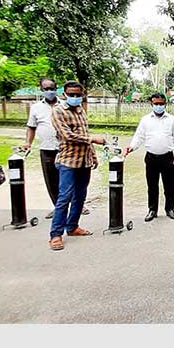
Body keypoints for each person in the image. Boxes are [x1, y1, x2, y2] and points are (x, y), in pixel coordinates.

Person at [48, 81, 103, 251]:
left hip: (84, 161)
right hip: (68, 161)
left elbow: (84, 134)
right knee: (64, 197)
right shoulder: (58, 111)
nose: (75, 97)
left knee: (80, 196)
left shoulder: (81, 111)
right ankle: (55, 235)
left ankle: (72, 227)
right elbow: (67, 135)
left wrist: (93, 155)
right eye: (71, 94)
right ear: (64, 94)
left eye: (78, 94)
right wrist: (93, 139)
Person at [25, 78, 90, 219]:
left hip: (68, 149)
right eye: (46, 89)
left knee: (70, 180)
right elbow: (31, 127)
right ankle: (58, 207)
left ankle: (76, 205)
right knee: (52, 180)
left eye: (52, 88)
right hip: (48, 148)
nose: (49, 91)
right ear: (41, 90)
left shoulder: (66, 105)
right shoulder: (36, 108)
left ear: (58, 89)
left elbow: (81, 130)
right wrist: (28, 143)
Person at [126, 93, 174, 222]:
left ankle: (170, 209)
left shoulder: (171, 120)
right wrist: (131, 147)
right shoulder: (146, 120)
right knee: (152, 186)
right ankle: (152, 210)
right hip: (151, 158)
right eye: (156, 104)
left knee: (169, 186)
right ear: (151, 104)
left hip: (168, 158)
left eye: (161, 104)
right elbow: (139, 136)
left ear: (165, 104)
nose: (159, 106)